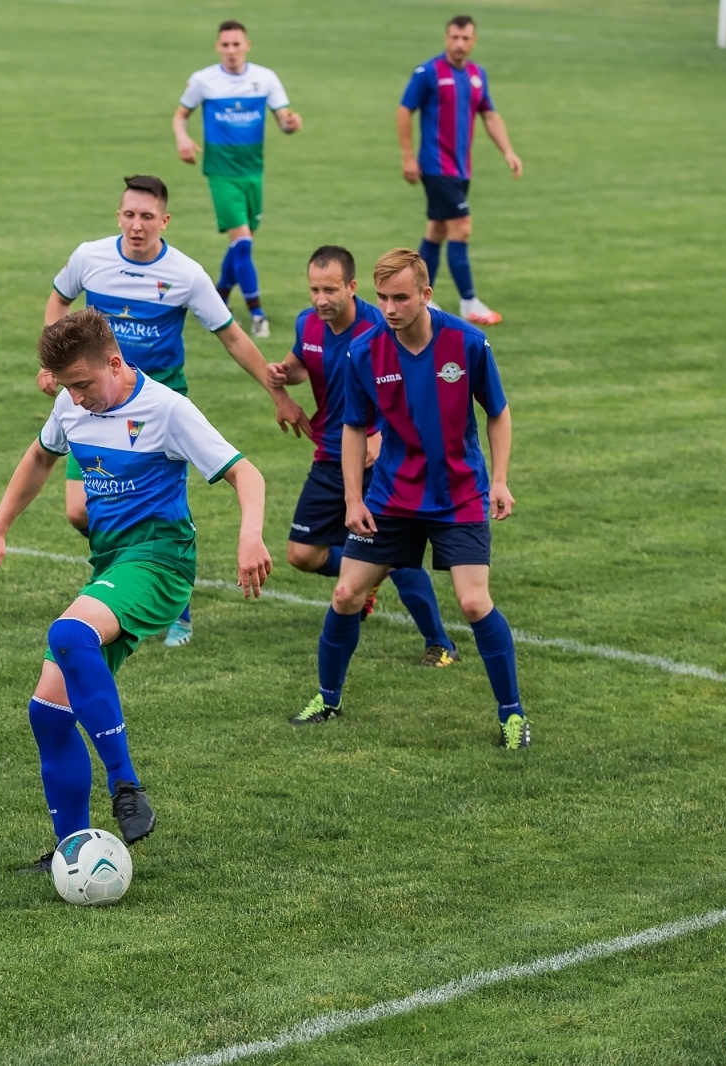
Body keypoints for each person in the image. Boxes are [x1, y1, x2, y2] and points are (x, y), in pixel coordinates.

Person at [0, 310, 272, 870]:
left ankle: (126, 785)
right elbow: (40, 456)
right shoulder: (71, 404)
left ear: (115, 364)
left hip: (160, 565)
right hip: (112, 565)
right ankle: (71, 849)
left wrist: (250, 536)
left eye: (83, 384)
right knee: (47, 709)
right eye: (66, 386)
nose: (74, 397)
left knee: (69, 632)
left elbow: (246, 473)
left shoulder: (166, 409)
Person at [38, 174, 307, 649]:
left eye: (146, 217)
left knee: (155, 511)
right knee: (79, 511)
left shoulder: (185, 274)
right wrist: (57, 366)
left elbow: (231, 335)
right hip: (98, 404)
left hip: (154, 412)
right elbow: (59, 298)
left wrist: (276, 392)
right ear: (117, 215)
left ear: (164, 220)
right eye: (128, 215)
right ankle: (126, 569)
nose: (136, 225)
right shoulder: (90, 258)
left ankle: (168, 587)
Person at [298, 248, 528, 749]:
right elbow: (354, 427)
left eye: (401, 297)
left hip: (458, 495)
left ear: (426, 294)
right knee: (345, 594)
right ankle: (327, 698)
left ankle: (512, 714)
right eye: (382, 298)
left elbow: (498, 411)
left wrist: (501, 479)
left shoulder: (466, 343)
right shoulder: (366, 349)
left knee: (472, 602)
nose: (390, 308)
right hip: (392, 497)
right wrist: (354, 500)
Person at [266, 247, 460, 700]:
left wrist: (380, 435)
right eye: (314, 289)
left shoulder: (379, 327)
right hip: (327, 455)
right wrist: (284, 373)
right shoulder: (307, 324)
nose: (321, 299)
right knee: (302, 553)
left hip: (379, 458)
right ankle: (367, 576)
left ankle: (440, 642)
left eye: (330, 289)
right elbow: (303, 364)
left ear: (352, 287)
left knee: (397, 556)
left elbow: (410, 386)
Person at [172, 20, 302, 339]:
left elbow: (284, 119)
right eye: (225, 45)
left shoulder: (265, 78)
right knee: (243, 243)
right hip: (221, 173)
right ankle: (257, 313)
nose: (231, 50)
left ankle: (218, 297)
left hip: (253, 173)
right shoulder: (204, 81)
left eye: (236, 44)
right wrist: (183, 140)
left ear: (247, 45)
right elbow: (180, 116)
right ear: (218, 47)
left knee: (241, 245)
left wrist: (290, 124)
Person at [396, 15, 522, 327]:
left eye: (465, 39)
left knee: (437, 231)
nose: (459, 44)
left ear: (474, 41)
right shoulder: (429, 72)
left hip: (462, 169)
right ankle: (469, 302)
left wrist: (508, 151)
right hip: (436, 166)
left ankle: (420, 297)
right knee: (461, 227)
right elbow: (404, 111)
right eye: (454, 37)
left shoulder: (478, 75)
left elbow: (489, 115)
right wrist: (408, 157)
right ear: (445, 38)